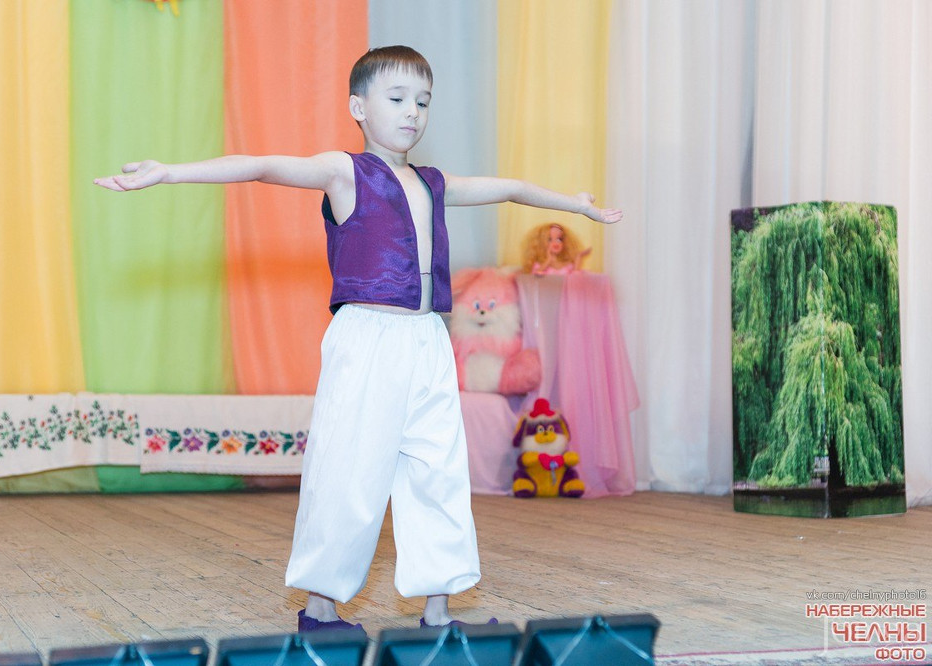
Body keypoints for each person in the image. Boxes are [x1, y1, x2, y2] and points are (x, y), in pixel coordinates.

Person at [95, 45, 622, 633]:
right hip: (368, 337)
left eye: (423, 101)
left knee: (438, 469)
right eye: (397, 98)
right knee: (349, 467)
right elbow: (261, 165)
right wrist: (170, 171)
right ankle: (321, 611)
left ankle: (438, 613)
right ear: (359, 107)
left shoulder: (434, 183)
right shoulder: (344, 173)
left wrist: (573, 205)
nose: (413, 111)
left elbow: (512, 187)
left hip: (427, 337)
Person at [522, 222, 592, 275]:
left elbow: (575, 280)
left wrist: (578, 257)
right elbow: (534, 278)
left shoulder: (568, 265)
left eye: (559, 239)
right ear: (541, 243)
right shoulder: (539, 265)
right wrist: (548, 260)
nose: (556, 243)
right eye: (549, 239)